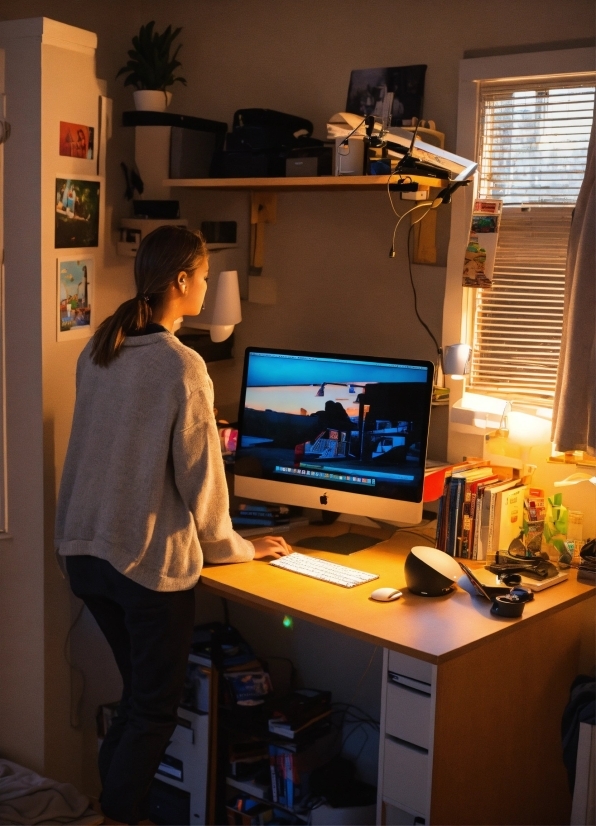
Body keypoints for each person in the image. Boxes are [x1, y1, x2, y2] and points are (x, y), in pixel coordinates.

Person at [55, 225, 290, 825]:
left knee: (138, 702)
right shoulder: (180, 367)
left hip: (85, 554)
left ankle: (109, 812)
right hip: (141, 563)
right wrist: (237, 548)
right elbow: (203, 485)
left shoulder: (100, 350)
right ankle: (117, 816)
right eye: (205, 275)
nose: (208, 285)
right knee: (156, 711)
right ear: (182, 281)